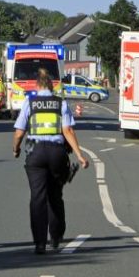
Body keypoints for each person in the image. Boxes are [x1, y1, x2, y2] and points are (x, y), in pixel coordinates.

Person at [12, 68, 88, 255]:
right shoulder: (60, 103)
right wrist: (79, 155)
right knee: (55, 195)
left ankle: (39, 243)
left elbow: (19, 132)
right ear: (52, 86)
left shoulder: (30, 102)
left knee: (37, 198)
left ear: (37, 86)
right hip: (57, 153)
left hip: (36, 153)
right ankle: (55, 236)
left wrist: (16, 148)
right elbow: (68, 131)